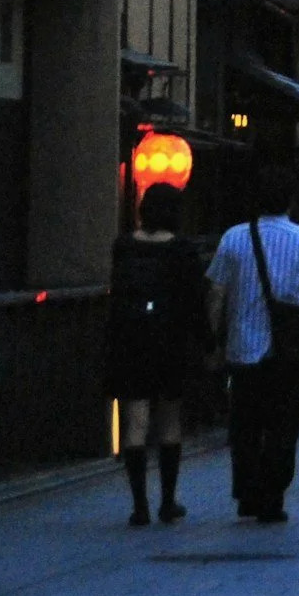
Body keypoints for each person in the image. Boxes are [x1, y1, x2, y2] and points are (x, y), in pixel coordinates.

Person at [205, 161, 299, 523]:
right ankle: (273, 494)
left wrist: (213, 338)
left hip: (244, 348)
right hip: (290, 352)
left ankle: (248, 493)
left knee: (244, 425)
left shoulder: (233, 238)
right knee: (284, 425)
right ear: (290, 201)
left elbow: (215, 292)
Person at [104, 180, 210, 526]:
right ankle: (167, 501)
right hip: (170, 341)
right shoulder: (183, 249)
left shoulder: (124, 246)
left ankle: (139, 505)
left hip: (130, 340)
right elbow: (196, 301)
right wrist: (206, 342)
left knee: (135, 421)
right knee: (168, 419)